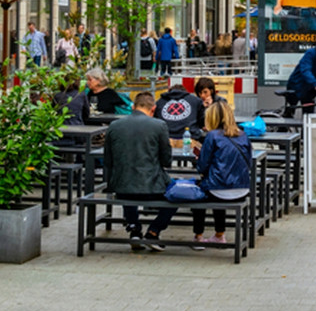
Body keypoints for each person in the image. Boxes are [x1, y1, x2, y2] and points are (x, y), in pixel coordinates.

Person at [103, 92, 176, 250]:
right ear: (153, 109)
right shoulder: (159, 126)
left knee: (128, 180)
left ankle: (134, 228)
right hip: (152, 187)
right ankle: (154, 231)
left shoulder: (114, 126)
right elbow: (166, 160)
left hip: (121, 186)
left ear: (133, 107)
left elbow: (108, 160)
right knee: (178, 194)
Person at [192, 101, 251, 248]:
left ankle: (198, 237)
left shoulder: (212, 136)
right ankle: (219, 234)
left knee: (199, 194)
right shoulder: (243, 135)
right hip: (242, 188)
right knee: (216, 186)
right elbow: (249, 161)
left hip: (218, 189)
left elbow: (202, 167)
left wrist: (198, 160)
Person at [285, 33, 316, 116]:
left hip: (310, 88)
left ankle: (305, 129)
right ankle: (281, 128)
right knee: (289, 113)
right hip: (297, 85)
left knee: (308, 115)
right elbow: (305, 70)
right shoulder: (310, 53)